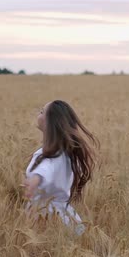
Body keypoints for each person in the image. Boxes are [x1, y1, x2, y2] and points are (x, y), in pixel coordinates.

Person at [21, 100, 98, 235]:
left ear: (50, 122)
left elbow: (47, 169)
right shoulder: (63, 152)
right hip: (61, 214)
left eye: (42, 111)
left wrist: (36, 179)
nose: (38, 114)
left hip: (49, 216)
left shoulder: (56, 154)